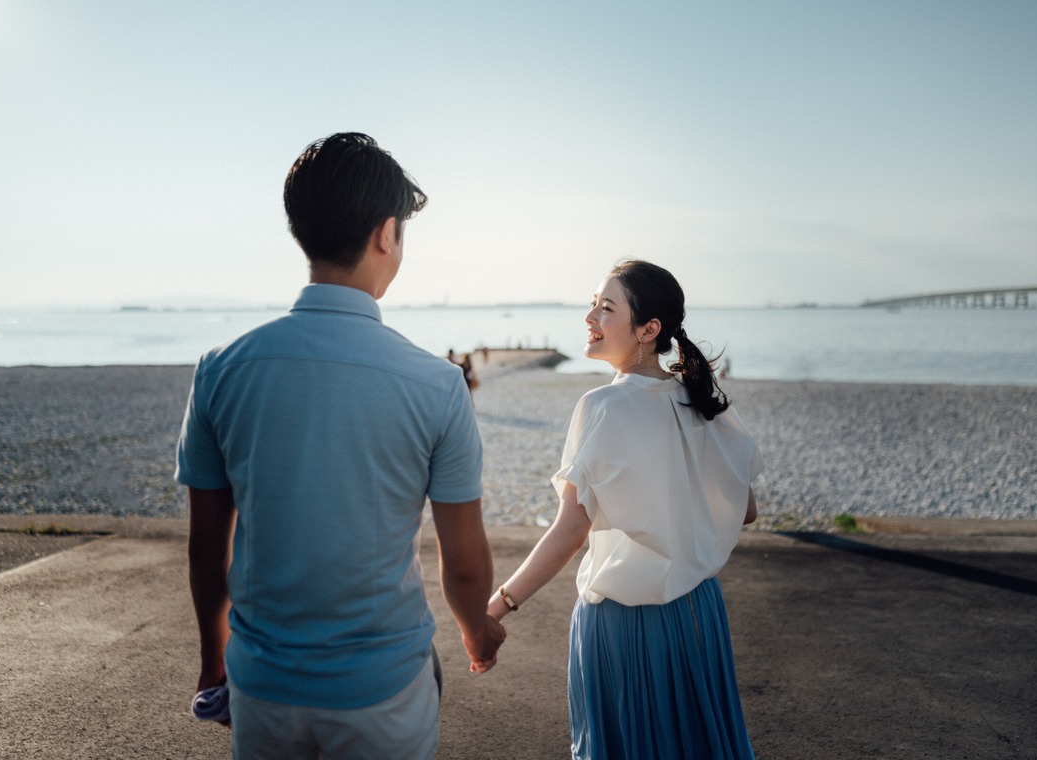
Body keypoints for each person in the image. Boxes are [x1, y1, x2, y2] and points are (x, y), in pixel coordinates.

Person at [176, 132, 505, 759]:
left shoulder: (221, 368)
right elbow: (463, 563)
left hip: (262, 684)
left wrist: (211, 659)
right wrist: (477, 632)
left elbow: (206, 548)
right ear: (387, 234)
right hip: (383, 688)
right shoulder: (437, 384)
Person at [486, 260, 762, 759]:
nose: (590, 316)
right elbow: (745, 510)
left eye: (606, 308)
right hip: (698, 612)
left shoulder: (603, 407)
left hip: (625, 619)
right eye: (593, 303)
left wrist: (500, 603)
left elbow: (571, 530)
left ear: (648, 330)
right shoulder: (700, 400)